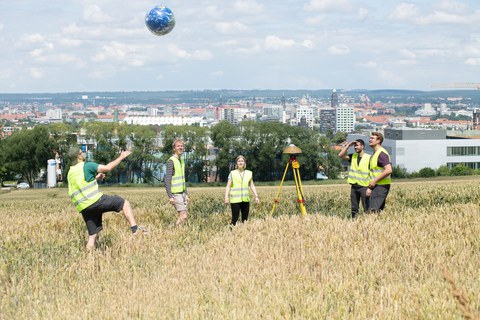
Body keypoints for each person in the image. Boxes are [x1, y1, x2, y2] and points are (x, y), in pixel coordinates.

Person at [67, 147, 146, 250]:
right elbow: (108, 168)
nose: (84, 154)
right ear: (78, 156)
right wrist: (121, 157)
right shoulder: (87, 166)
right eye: (82, 153)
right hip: (96, 200)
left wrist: (96, 178)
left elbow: (81, 184)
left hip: (84, 207)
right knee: (124, 203)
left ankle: (88, 259)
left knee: (92, 235)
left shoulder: (70, 173)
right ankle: (135, 229)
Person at [338, 139, 371, 218]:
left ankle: (369, 222)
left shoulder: (369, 158)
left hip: (364, 187)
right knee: (354, 208)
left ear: (362, 146)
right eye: (354, 146)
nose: (355, 147)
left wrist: (371, 188)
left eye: (357, 145)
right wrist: (348, 146)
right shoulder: (353, 156)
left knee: (366, 208)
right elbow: (340, 155)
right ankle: (354, 222)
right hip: (354, 187)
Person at [224, 155, 259, 225]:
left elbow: (252, 185)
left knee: (245, 220)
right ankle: (231, 233)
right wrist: (226, 197)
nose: (240, 163)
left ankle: (244, 234)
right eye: (239, 161)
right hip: (235, 200)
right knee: (235, 219)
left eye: (242, 161)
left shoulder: (249, 173)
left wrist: (256, 196)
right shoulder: (232, 173)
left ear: (244, 163)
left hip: (245, 200)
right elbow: (228, 186)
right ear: (236, 163)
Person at [165, 139, 189, 226]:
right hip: (175, 193)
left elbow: (183, 179)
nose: (180, 147)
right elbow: (167, 180)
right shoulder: (171, 161)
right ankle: (173, 229)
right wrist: (170, 196)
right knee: (184, 215)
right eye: (178, 146)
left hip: (182, 193)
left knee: (182, 216)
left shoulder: (182, 160)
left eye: (182, 146)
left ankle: (175, 231)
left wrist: (186, 194)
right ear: (174, 148)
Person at [366, 132, 393, 212]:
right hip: (377, 186)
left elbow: (388, 170)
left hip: (381, 186)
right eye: (370, 138)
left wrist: (374, 182)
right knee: (377, 212)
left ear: (378, 141)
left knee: (372, 212)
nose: (370, 140)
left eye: (372, 138)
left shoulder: (381, 153)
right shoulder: (375, 154)